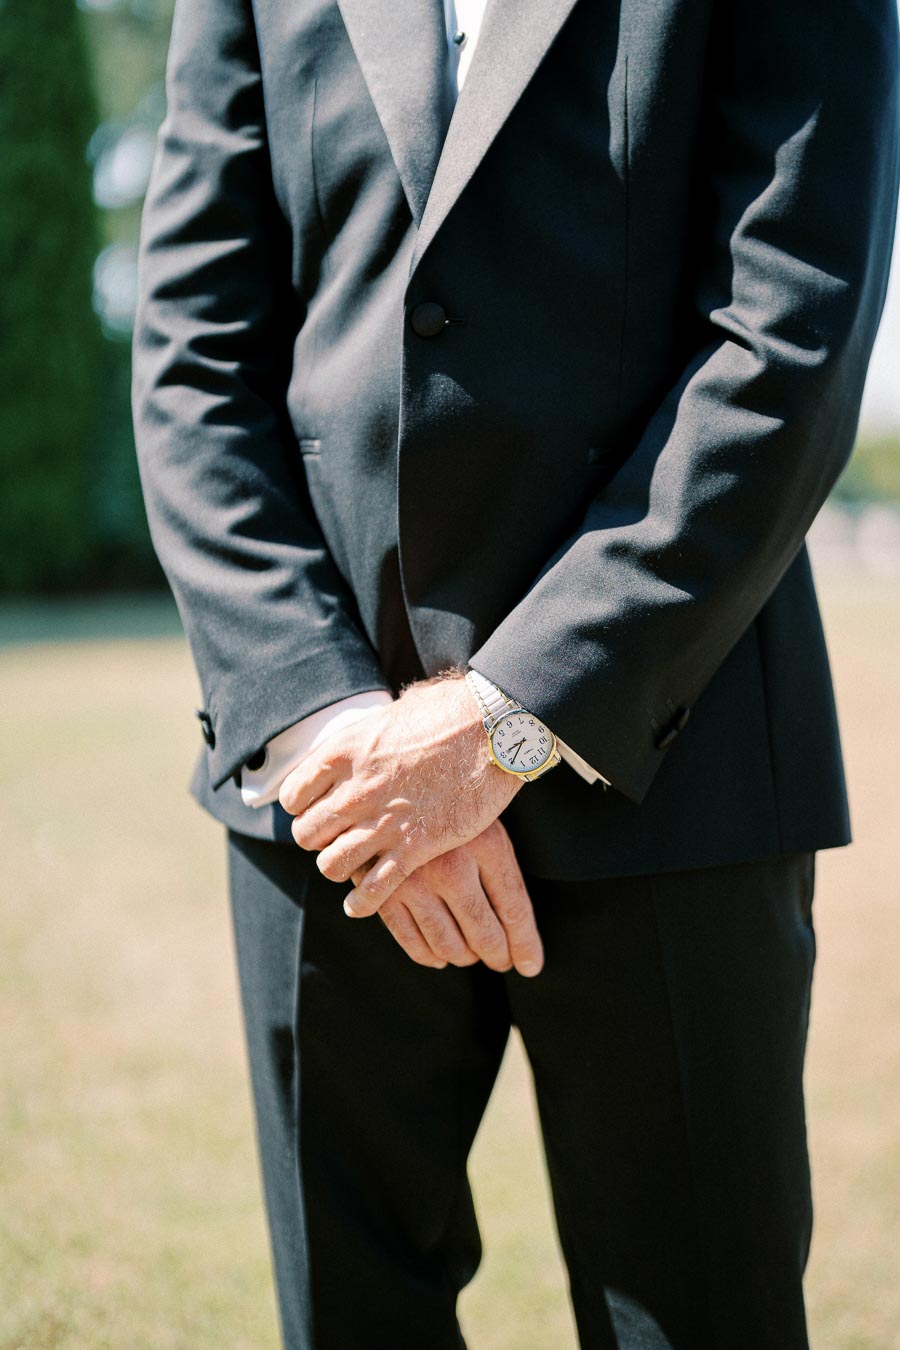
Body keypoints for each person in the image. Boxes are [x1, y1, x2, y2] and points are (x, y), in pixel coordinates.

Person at [131, 0, 900, 1345]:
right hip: (331, 801)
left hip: (676, 774)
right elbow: (193, 354)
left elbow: (791, 335)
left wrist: (504, 724)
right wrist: (322, 721)